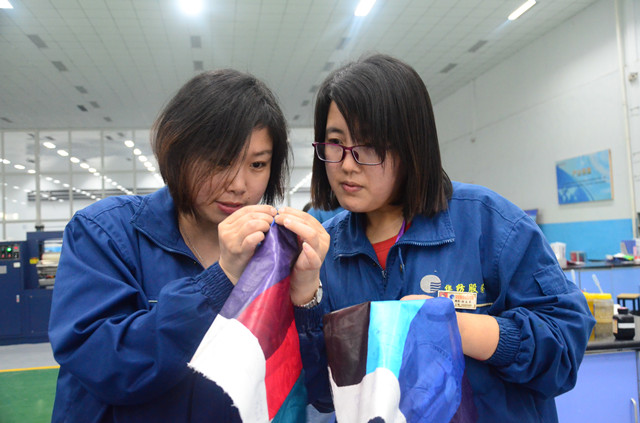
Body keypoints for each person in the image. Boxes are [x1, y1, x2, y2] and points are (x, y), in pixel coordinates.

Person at [296, 54, 595, 422]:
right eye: (335, 143)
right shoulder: (324, 251)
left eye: (368, 145)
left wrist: (457, 328)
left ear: (411, 145)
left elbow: (563, 349)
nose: (346, 163)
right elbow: (321, 394)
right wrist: (305, 299)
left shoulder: (488, 223)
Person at [48, 69, 327, 422]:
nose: (239, 184)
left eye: (257, 164)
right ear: (178, 152)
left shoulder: (277, 251)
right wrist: (221, 279)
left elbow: (314, 391)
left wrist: (306, 298)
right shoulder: (104, 232)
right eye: (220, 161)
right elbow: (104, 364)